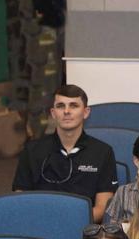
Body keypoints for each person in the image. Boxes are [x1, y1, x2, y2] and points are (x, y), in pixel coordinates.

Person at [12, 83, 117, 221]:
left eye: (73, 106)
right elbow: (20, 201)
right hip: (39, 224)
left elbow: (102, 209)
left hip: (83, 229)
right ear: (53, 113)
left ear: (86, 112)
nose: (67, 111)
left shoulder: (103, 152)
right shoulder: (32, 150)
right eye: (61, 106)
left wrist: (66, 224)